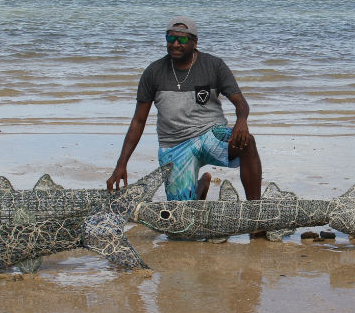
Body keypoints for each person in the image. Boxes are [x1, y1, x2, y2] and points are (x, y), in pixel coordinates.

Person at [107, 16, 262, 201]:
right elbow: (138, 121)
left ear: (194, 42)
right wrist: (121, 164)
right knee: (181, 219)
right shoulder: (153, 72)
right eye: (170, 39)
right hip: (174, 144)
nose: (175, 44)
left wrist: (241, 121)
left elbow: (240, 102)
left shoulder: (214, 65)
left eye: (182, 39)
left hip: (210, 134)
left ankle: (255, 211)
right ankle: (200, 186)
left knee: (247, 142)